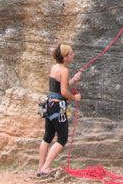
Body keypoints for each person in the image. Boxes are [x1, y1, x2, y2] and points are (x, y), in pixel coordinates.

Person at [36, 43, 82, 178]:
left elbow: (58, 88)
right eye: (71, 54)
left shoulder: (55, 67)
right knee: (62, 138)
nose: (73, 55)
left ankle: (40, 168)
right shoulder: (64, 70)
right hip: (58, 107)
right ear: (65, 57)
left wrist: (72, 80)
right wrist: (75, 97)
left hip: (49, 106)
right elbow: (63, 92)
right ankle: (46, 167)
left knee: (47, 137)